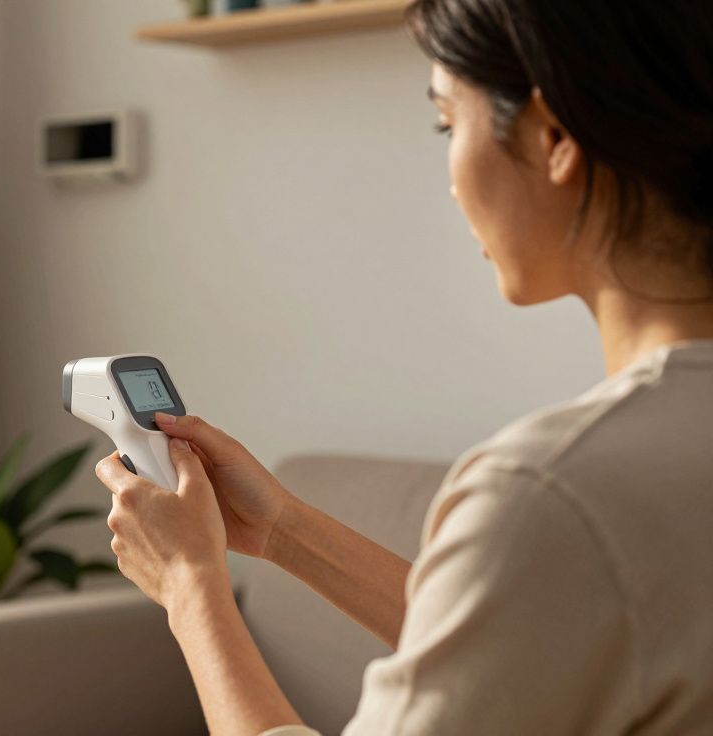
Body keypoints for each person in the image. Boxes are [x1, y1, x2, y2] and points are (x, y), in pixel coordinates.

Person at [93, 0, 713, 733]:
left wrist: (192, 588)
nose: (451, 180)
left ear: (552, 137)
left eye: (448, 123)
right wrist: (283, 528)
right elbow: (520, 643)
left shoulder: (547, 492)